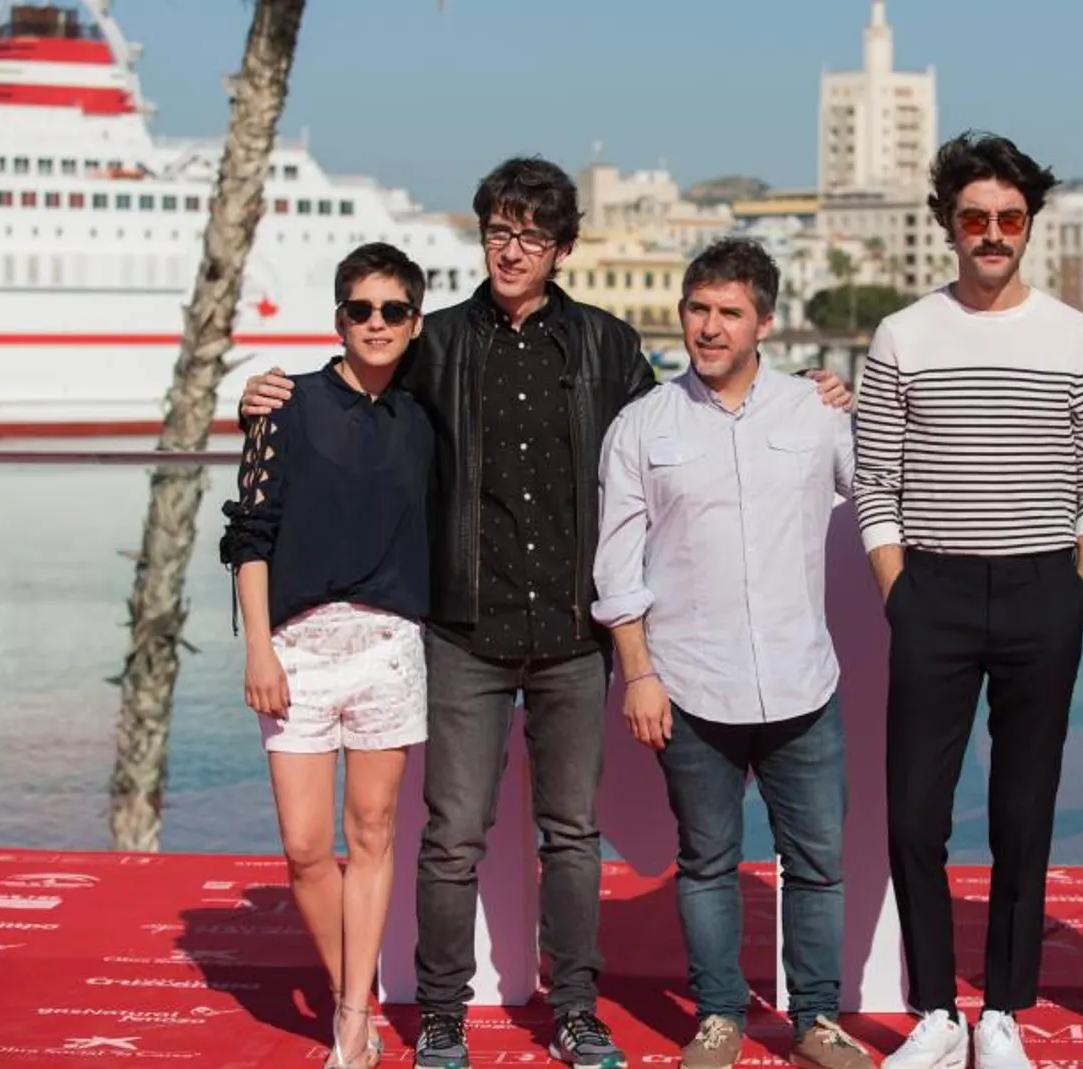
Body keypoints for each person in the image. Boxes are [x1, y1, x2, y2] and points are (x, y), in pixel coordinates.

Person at [237, 156, 851, 1069]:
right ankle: (441, 1014)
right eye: (497, 231)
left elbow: (695, 406)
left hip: (572, 634)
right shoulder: (434, 341)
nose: (511, 250)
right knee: (451, 836)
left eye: (531, 236)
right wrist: (261, 395)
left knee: (572, 835)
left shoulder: (608, 345)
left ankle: (576, 1010)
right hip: (463, 629)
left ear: (562, 248)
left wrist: (806, 382)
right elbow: (352, 386)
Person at [853, 131, 1083, 1069]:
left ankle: (1002, 1009)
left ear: (1030, 225)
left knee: (1024, 808)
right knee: (916, 811)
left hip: (1046, 587)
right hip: (933, 592)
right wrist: (900, 592)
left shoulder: (1076, 337)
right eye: (976, 218)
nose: (993, 234)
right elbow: (874, 478)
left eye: (1010, 218)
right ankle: (933, 1008)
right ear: (948, 227)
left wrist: (1080, 586)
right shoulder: (903, 334)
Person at [591, 237, 873, 1069]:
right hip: (689, 685)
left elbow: (881, 491)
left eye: (729, 312)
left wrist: (856, 405)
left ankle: (815, 1019)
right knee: (706, 862)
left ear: (766, 324)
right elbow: (617, 563)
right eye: (698, 309)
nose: (709, 328)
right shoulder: (641, 425)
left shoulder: (818, 412)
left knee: (816, 865)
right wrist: (637, 672)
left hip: (802, 682)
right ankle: (718, 1016)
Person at [220, 241, 435, 1069]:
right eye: (360, 309)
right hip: (296, 653)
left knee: (372, 833)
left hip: (389, 647)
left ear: (415, 323)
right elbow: (250, 533)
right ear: (338, 318)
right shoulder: (286, 404)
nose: (375, 324)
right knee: (307, 848)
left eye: (392, 311)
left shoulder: (427, 415)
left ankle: (352, 1015)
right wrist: (259, 651)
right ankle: (356, 994)